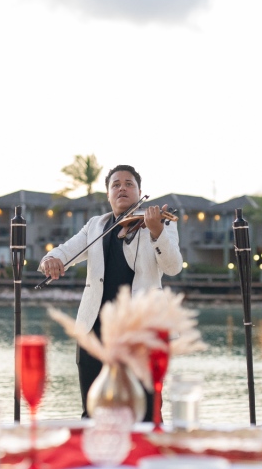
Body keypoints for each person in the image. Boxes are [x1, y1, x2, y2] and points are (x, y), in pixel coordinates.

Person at [38, 165, 182, 420]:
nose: (122, 188)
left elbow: (173, 268)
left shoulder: (159, 222)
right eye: (116, 184)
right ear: (108, 194)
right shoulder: (96, 225)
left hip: (140, 329)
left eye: (129, 184)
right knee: (93, 410)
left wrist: (157, 232)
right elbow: (66, 250)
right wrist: (51, 259)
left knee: (146, 410)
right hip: (95, 328)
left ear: (139, 192)